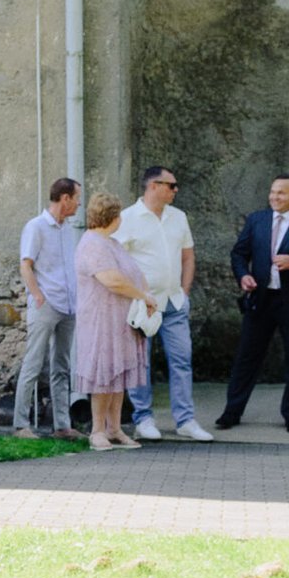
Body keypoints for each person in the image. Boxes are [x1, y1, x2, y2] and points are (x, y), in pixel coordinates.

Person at [116, 166, 212, 442]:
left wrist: (184, 291)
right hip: (143, 304)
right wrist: (135, 295)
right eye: (171, 185)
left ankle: (186, 420)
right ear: (153, 186)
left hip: (174, 302)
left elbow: (188, 256)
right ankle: (143, 419)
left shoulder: (178, 217)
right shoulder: (128, 218)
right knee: (140, 363)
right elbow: (117, 260)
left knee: (182, 360)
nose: (176, 190)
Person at [215, 175, 289, 435]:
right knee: (246, 357)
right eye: (272, 191)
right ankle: (232, 411)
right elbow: (239, 253)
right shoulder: (257, 219)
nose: (274, 197)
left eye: (281, 193)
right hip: (261, 300)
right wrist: (243, 275)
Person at [73, 193, 152, 452]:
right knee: (103, 376)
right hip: (100, 321)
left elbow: (134, 273)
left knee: (117, 376)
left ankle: (114, 428)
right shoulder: (93, 244)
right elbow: (112, 280)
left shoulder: (113, 243)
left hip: (119, 320)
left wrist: (145, 294)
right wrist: (143, 296)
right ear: (113, 217)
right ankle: (97, 430)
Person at [13, 177, 80, 437]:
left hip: (68, 306)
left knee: (62, 366)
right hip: (46, 304)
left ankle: (62, 425)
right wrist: (38, 295)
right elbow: (25, 265)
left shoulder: (68, 229)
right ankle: (21, 425)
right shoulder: (36, 227)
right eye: (77, 198)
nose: (79, 204)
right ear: (65, 198)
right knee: (33, 363)